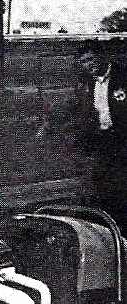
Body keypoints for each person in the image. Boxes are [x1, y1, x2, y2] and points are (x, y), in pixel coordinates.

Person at [40, 41, 127, 230]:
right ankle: (108, 228)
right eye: (85, 61)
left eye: (92, 58)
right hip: (102, 141)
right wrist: (49, 123)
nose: (90, 64)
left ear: (103, 56)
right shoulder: (86, 83)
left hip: (123, 141)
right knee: (103, 187)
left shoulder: (122, 76)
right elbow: (75, 108)